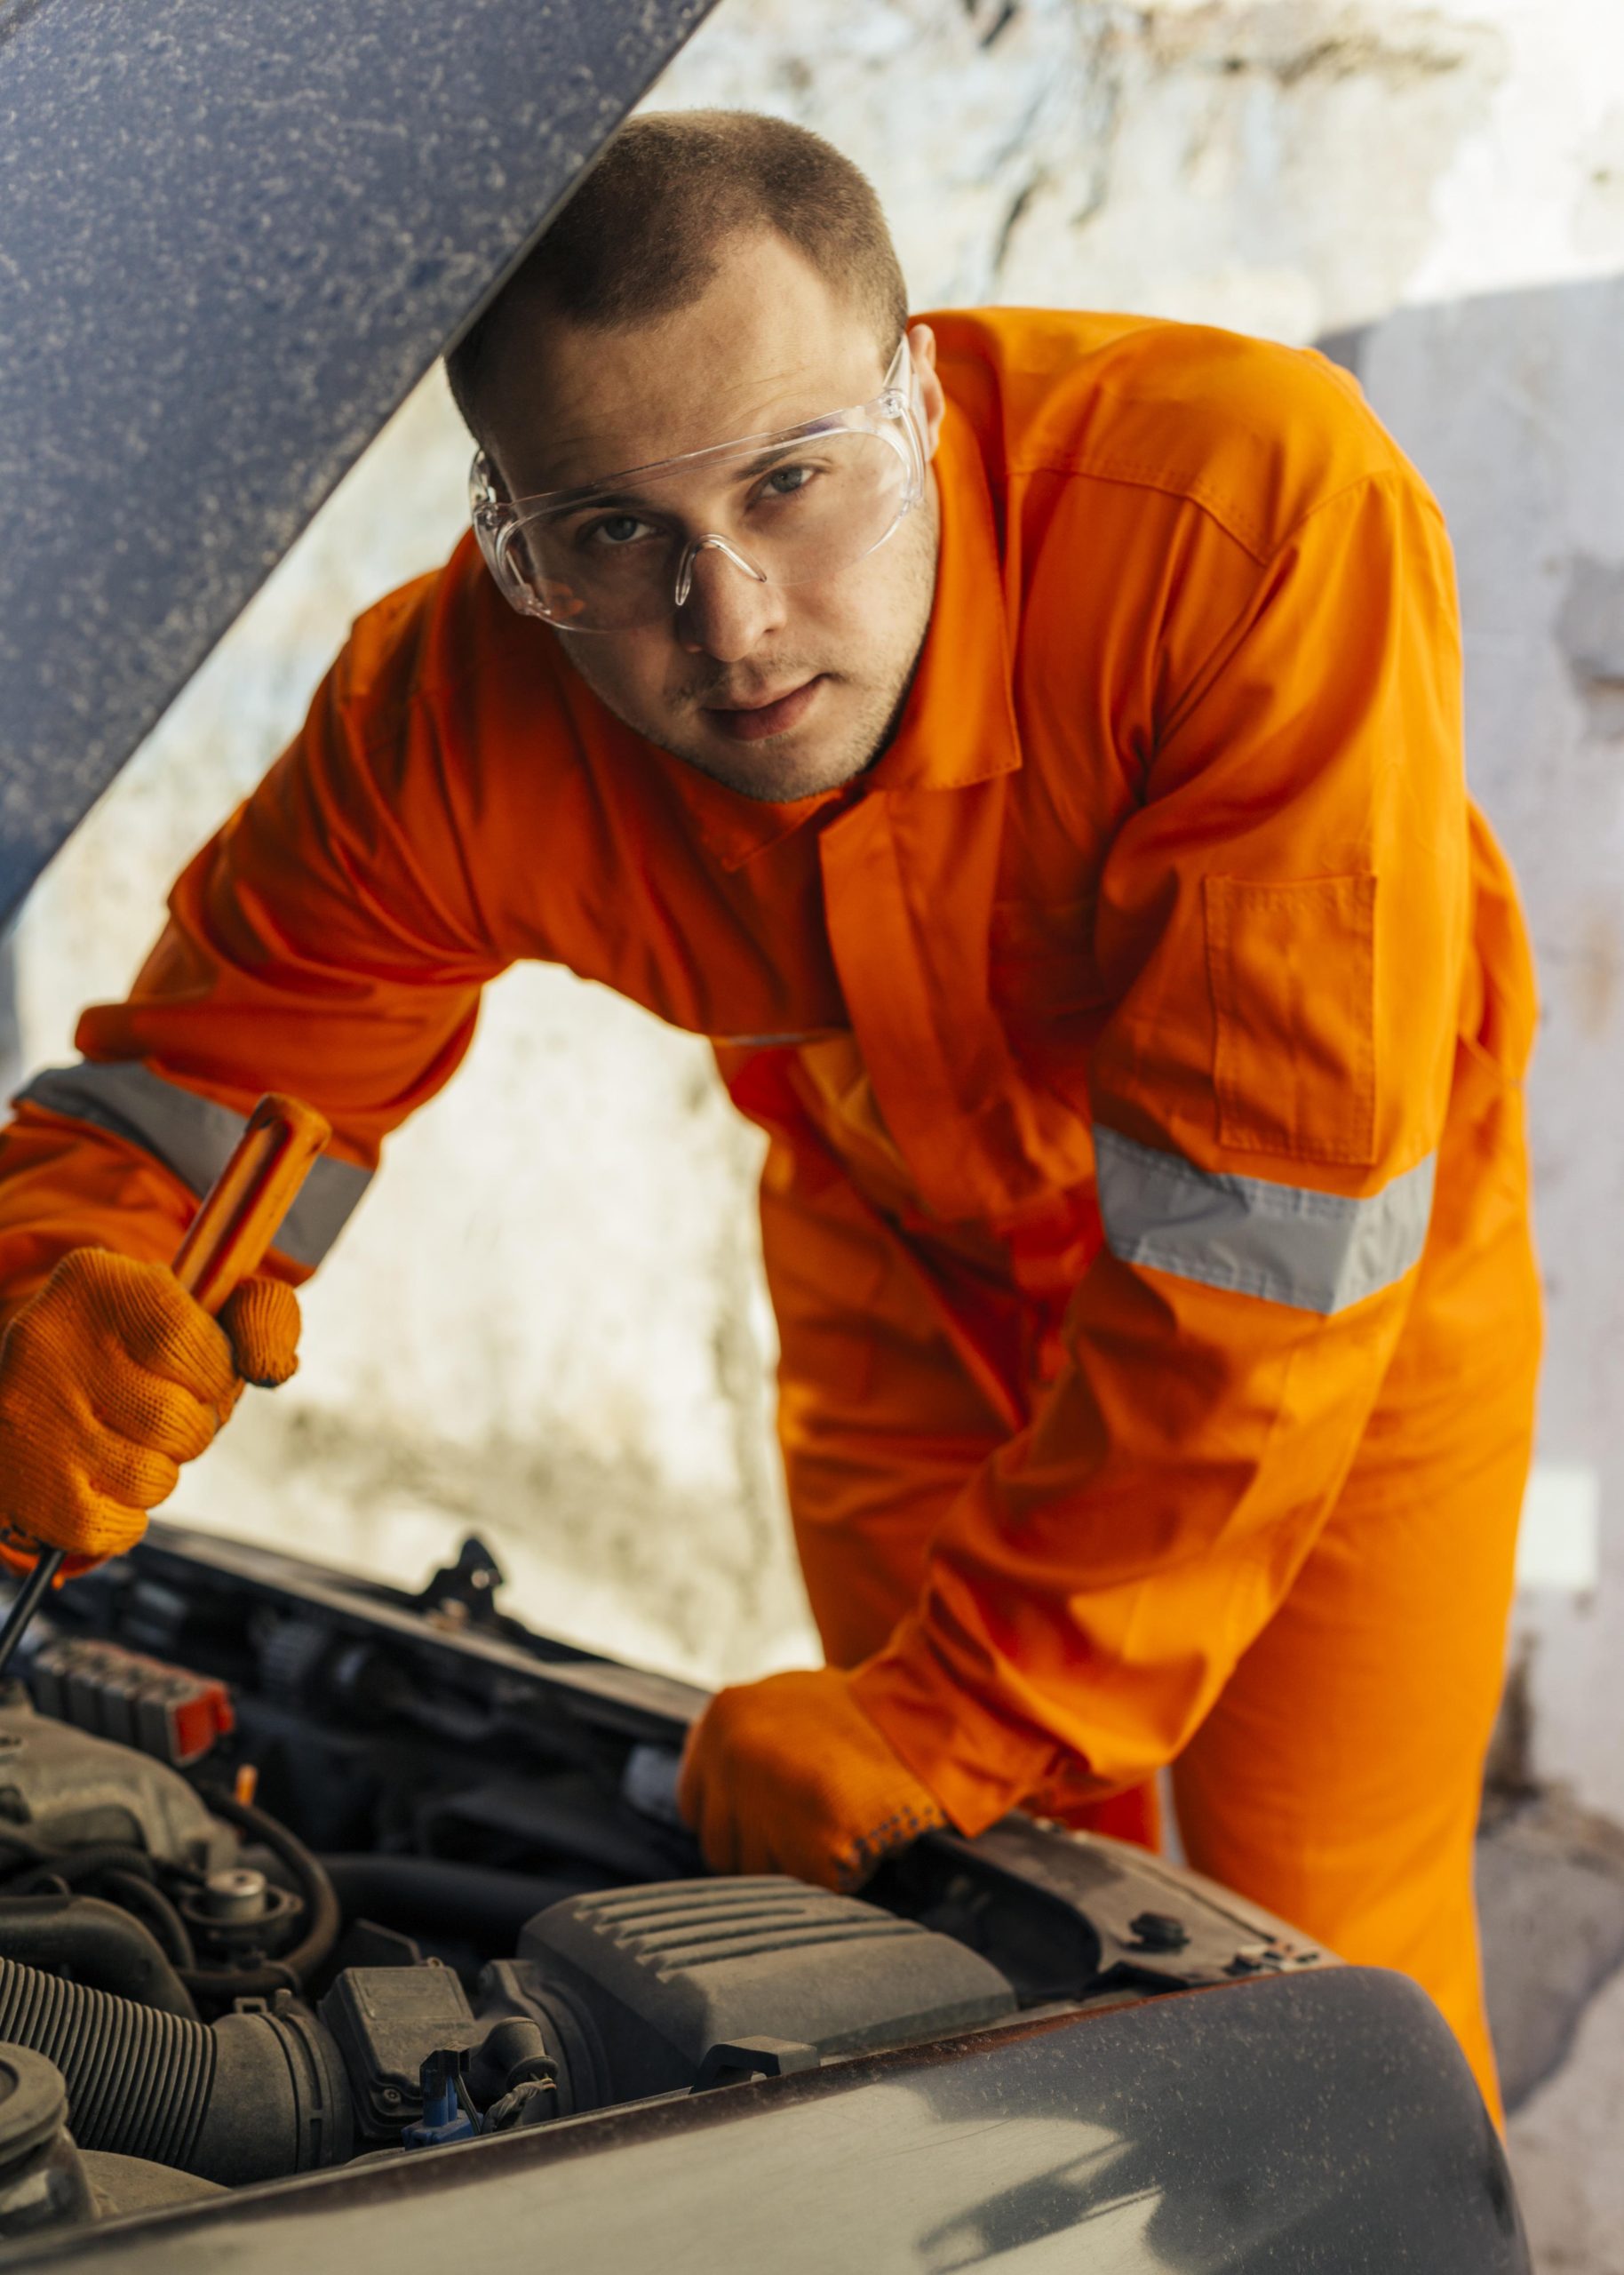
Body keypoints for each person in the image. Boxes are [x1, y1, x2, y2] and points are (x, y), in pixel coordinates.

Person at [0, 110, 1540, 2116]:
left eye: (788, 480)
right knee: (956, 1933)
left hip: (1329, 1297)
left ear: (914, 394)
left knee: (1313, 1949)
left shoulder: (1242, 519)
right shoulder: (452, 717)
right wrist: (52, 1281)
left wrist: (969, 1693)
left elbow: (1258, 1242)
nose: (727, 621)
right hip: (894, 1251)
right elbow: (195, 1091)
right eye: (610, 532)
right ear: (504, 526)